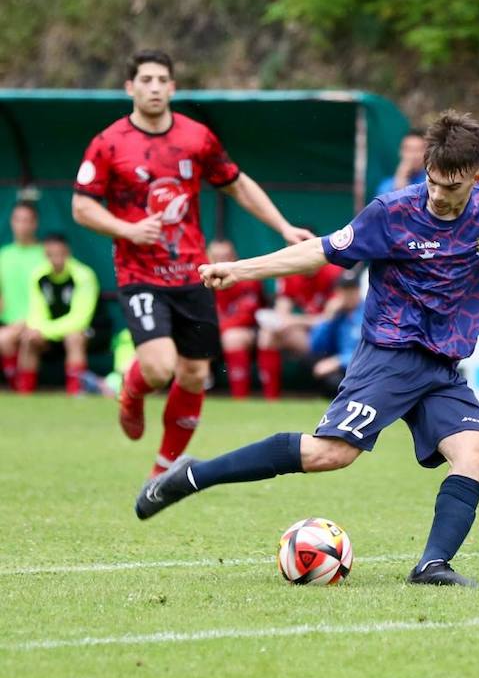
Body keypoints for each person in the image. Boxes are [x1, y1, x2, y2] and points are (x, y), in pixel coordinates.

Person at [134, 110, 479, 589]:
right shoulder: (393, 212)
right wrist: (240, 269)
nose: (439, 196)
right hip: (391, 354)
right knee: (331, 454)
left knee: (474, 454)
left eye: (453, 186)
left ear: (477, 177)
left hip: (441, 364)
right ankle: (194, 475)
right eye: (433, 182)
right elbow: (320, 250)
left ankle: (431, 566)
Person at [72, 49, 313, 475]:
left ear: (172, 87)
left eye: (161, 79)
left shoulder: (196, 138)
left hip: (192, 274)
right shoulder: (109, 143)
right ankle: (131, 389)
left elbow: (236, 185)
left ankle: (162, 471)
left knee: (194, 374)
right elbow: (81, 207)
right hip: (140, 274)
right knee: (161, 366)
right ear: (130, 87)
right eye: (145, 79)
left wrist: (283, 227)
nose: (153, 87)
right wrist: (127, 230)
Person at [0, 233, 99, 394]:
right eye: (50, 254)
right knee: (29, 338)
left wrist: (45, 331)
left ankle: (75, 392)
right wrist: (37, 332)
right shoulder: (39, 275)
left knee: (73, 337)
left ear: (68, 253)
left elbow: (80, 319)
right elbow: (36, 312)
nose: (56, 259)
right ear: (45, 255)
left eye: (60, 254)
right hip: (49, 333)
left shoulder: (83, 275)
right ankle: (23, 394)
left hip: (88, 331)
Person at [256, 259, 345, 399]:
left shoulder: (333, 272)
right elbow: (281, 316)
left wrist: (295, 320)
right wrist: (285, 321)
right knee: (267, 334)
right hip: (310, 336)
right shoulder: (290, 274)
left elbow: (328, 319)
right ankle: (270, 399)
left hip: (336, 337)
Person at [208, 239, 265, 399]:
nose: (220, 262)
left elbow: (245, 318)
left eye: (226, 257)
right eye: (216, 257)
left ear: (234, 258)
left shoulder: (247, 279)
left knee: (233, 337)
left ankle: (240, 399)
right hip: (213, 332)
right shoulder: (198, 282)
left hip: (249, 332)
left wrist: (214, 331)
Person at [0, 202, 46, 386]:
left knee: (28, 341)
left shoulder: (46, 255)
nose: (22, 225)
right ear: (11, 222)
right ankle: (16, 387)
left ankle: (23, 390)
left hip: (40, 326)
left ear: (35, 223)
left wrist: (29, 322)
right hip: (8, 326)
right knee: (4, 339)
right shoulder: (3, 255)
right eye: (18, 219)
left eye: (27, 220)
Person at [307, 265, 365, 397]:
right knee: (328, 378)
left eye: (352, 290)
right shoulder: (337, 315)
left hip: (364, 369)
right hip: (343, 371)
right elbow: (315, 346)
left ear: (358, 290)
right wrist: (327, 318)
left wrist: (339, 361)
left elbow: (369, 353)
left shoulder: (368, 312)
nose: (348, 295)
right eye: (345, 291)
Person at [375, 129, 427, 197]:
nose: (413, 155)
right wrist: (400, 178)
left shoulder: (431, 183)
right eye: (409, 150)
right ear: (400, 152)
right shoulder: (386, 186)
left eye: (418, 150)